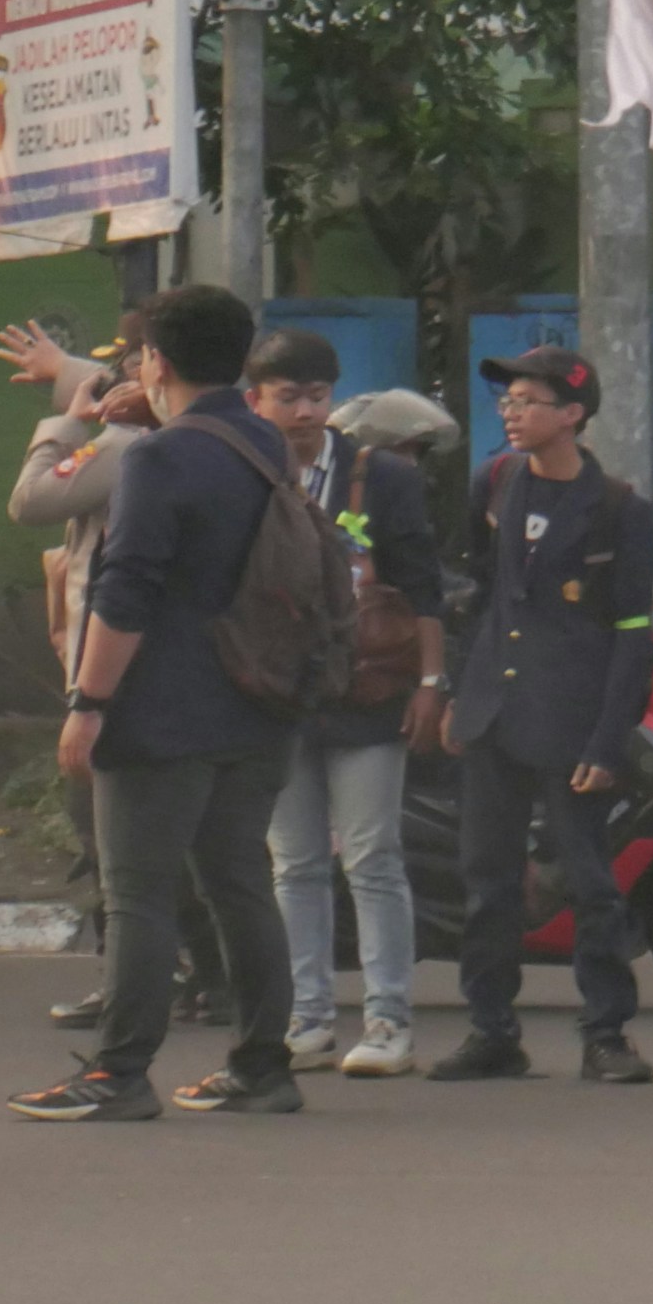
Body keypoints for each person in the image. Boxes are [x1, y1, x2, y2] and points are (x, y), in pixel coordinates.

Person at [9, 284, 313, 1123]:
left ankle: (118, 1074)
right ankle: (261, 1067)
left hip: (160, 710)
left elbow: (126, 586)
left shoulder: (157, 457)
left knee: (138, 892)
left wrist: (88, 701)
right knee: (240, 882)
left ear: (156, 361)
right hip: (259, 703)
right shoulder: (264, 442)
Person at [414, 348, 653, 1088]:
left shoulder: (619, 507)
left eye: (528, 400)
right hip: (495, 712)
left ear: (573, 414)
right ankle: (492, 1030)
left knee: (589, 880)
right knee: (488, 880)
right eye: (508, 400)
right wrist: (459, 689)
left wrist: (609, 740)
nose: (511, 412)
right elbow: (483, 596)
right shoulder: (496, 481)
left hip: (573, 720)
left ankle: (606, 1034)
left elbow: (632, 633)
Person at [247, 328, 437, 1081]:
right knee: (292, 863)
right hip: (276, 698)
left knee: (373, 856)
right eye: (286, 397)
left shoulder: (379, 477)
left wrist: (431, 683)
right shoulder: (242, 471)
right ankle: (308, 1017)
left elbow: (422, 586)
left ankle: (389, 1019)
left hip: (366, 693)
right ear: (255, 399)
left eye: (316, 397)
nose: (302, 413)